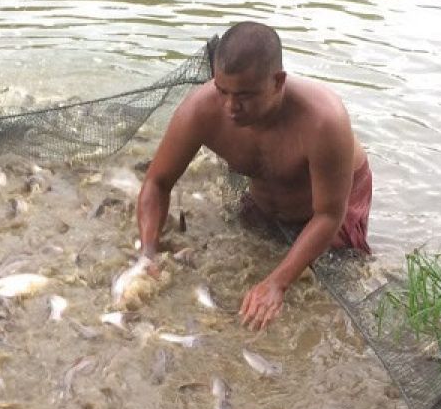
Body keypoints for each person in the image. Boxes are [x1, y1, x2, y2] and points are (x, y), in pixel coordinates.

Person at [137, 21, 372, 331]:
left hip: (333, 200)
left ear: (278, 82)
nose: (231, 107)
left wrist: (277, 284)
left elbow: (328, 214)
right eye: (222, 91)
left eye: (245, 95)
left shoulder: (323, 120)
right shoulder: (200, 110)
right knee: (257, 245)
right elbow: (157, 182)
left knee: (336, 274)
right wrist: (147, 253)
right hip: (267, 194)